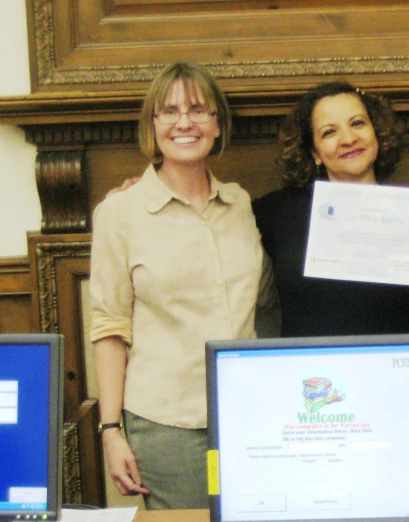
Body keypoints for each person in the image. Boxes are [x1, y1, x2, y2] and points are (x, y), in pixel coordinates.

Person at [90, 62, 276, 509]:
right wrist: (110, 430)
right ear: (151, 125)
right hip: (167, 424)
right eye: (168, 111)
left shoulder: (239, 204)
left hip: (250, 414)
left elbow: (264, 304)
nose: (184, 122)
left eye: (198, 109)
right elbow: (109, 327)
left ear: (217, 123)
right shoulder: (120, 213)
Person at [252, 81, 409, 337]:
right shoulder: (278, 213)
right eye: (329, 132)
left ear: (376, 132)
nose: (348, 139)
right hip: (308, 371)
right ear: (314, 152)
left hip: (392, 368)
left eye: (358, 123)